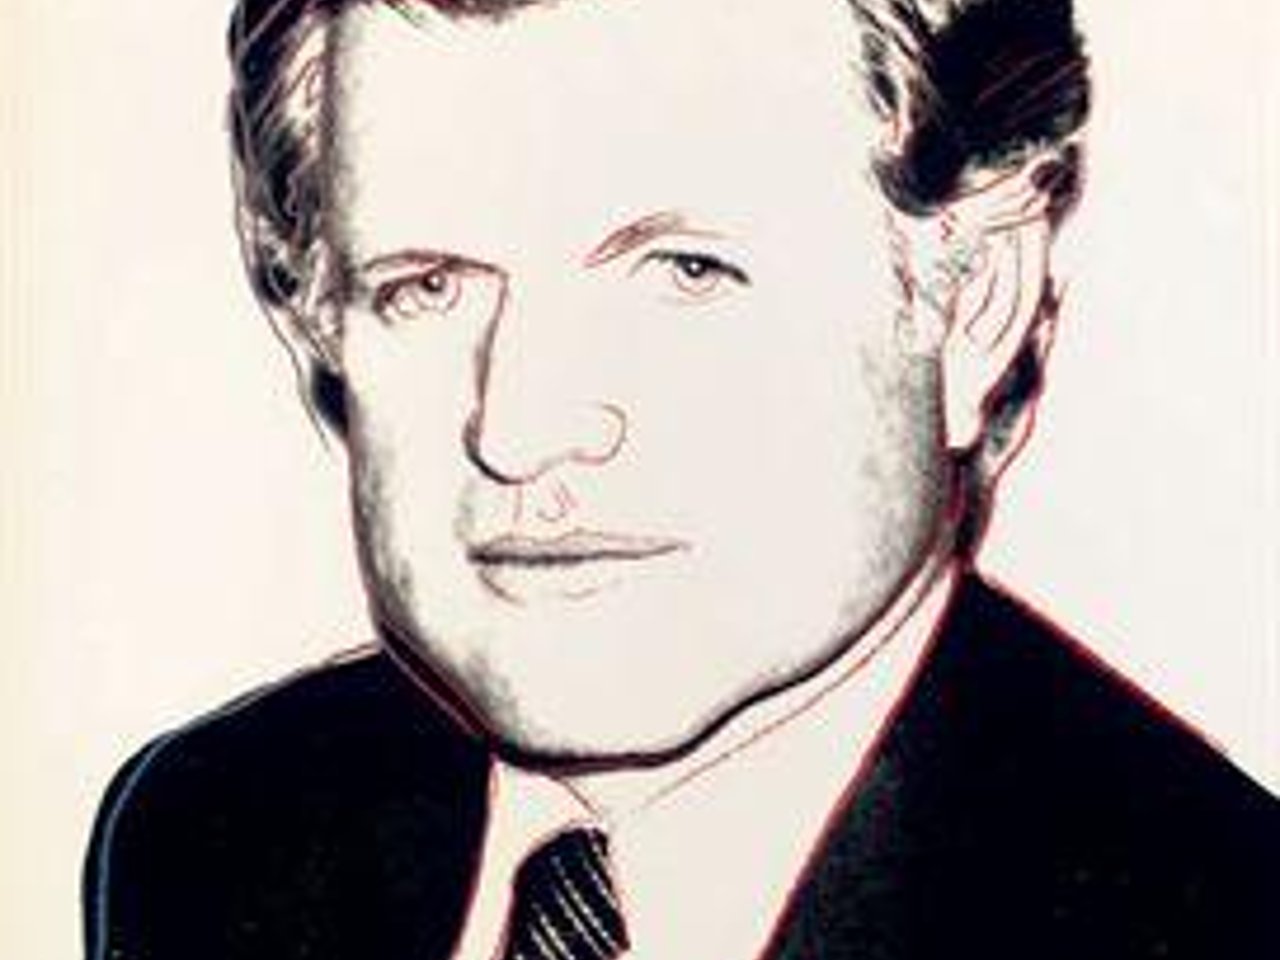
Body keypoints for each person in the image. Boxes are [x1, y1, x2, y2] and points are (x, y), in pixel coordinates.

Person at [83, 1, 1278, 958]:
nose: (519, 428)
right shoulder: (209, 834)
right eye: (426, 286)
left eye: (683, 273)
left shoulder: (1212, 914)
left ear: (971, 304)